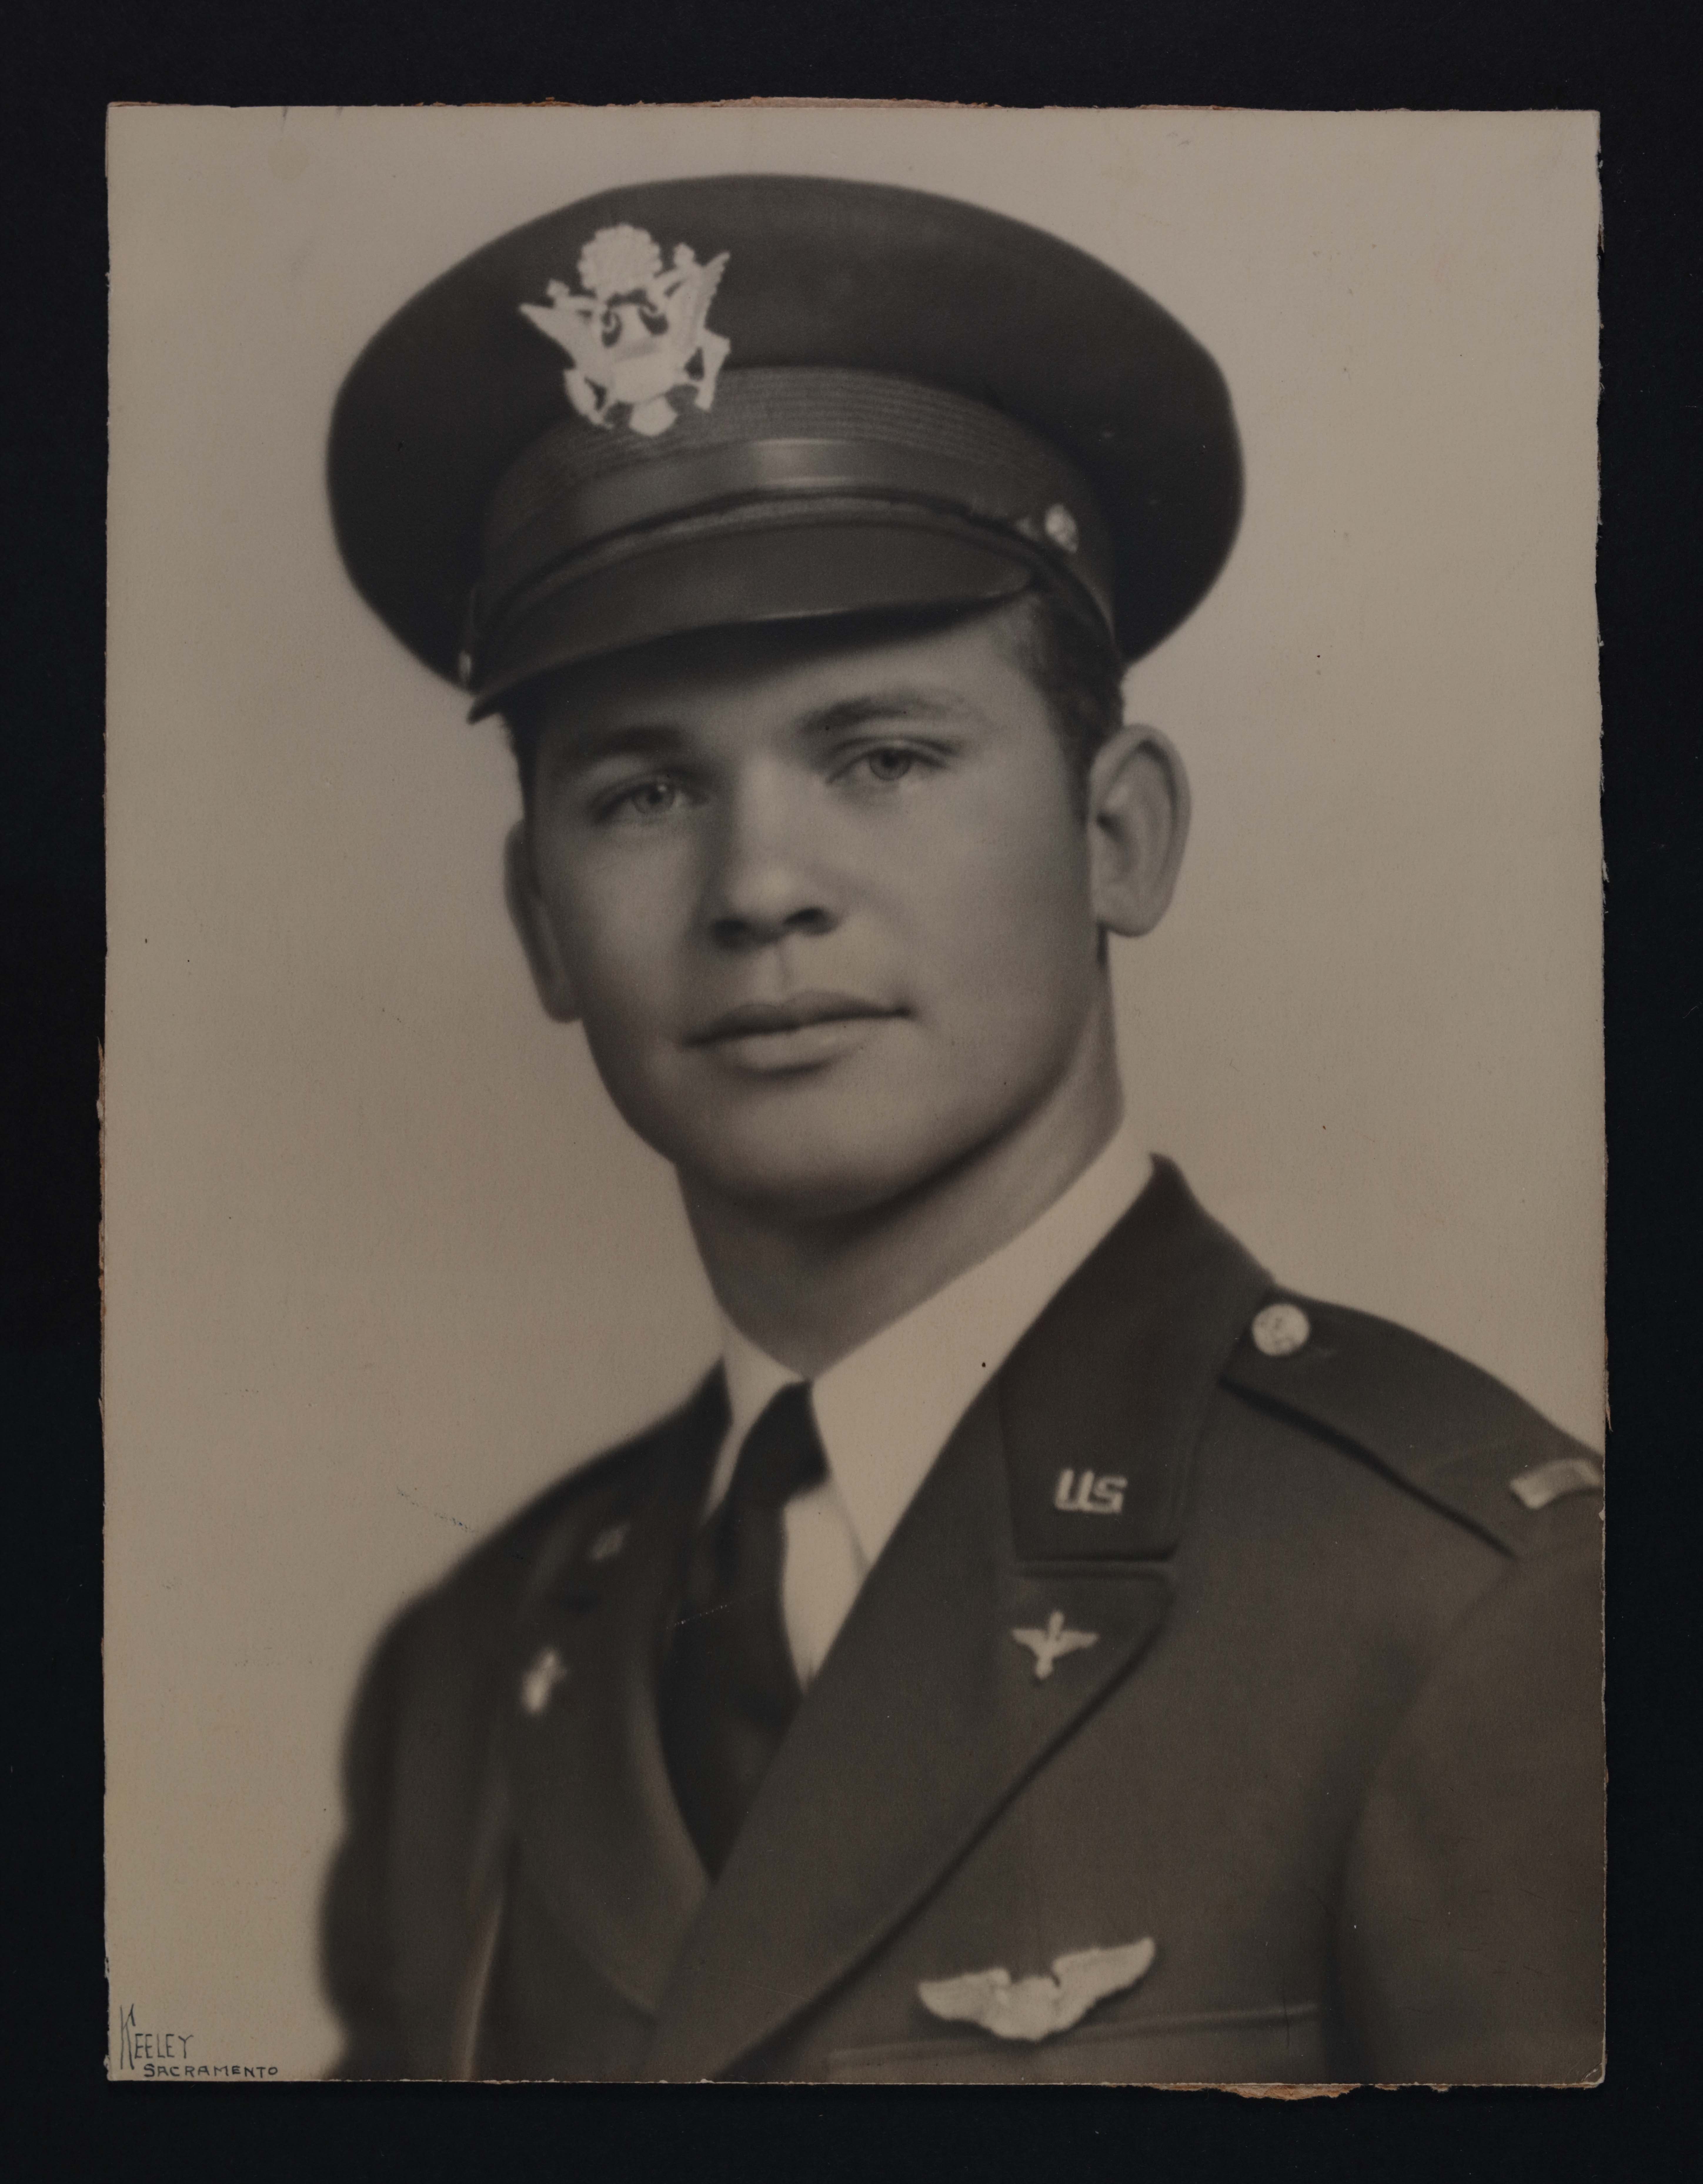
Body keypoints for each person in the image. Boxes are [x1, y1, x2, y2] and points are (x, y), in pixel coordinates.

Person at [320, 175, 1603, 2084]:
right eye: (646, 790)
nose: (762, 885)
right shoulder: (474, 1663)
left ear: (1120, 836)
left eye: (885, 756)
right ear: (540, 923)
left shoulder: (1473, 1615)